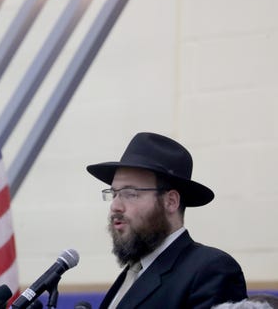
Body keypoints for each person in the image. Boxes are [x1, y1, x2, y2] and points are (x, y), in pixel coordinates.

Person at [86, 132, 247, 308]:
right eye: (114, 194)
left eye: (129, 193)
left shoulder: (210, 270)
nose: (115, 206)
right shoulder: (134, 272)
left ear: (170, 201)